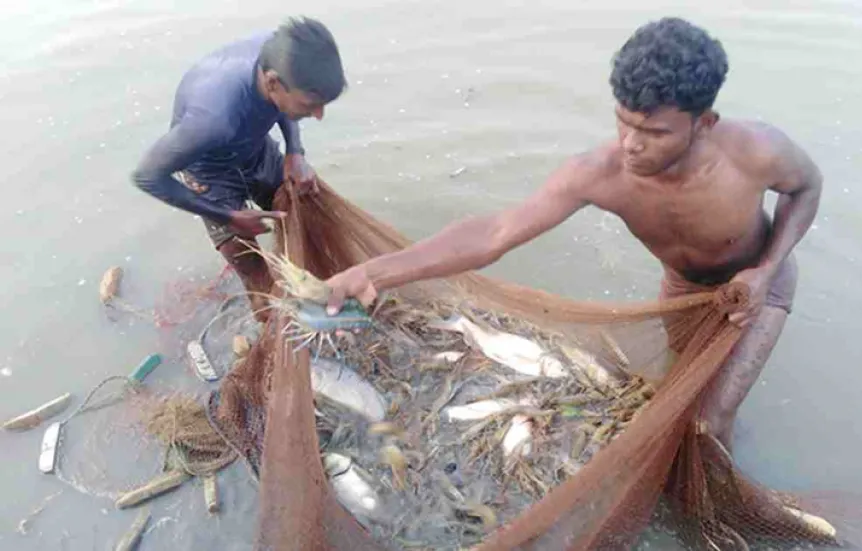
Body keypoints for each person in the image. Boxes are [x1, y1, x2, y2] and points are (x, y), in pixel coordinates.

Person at [321, 17, 822, 451]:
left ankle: (715, 499)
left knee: (707, 421)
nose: (632, 146)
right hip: (684, 290)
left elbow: (806, 188)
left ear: (704, 123)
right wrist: (373, 271)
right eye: (624, 124)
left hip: (761, 285)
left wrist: (765, 270)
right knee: (676, 391)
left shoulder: (757, 152)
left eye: (655, 134)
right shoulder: (599, 173)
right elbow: (495, 233)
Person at [132, 17, 347, 321]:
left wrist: (295, 153)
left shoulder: (285, 54)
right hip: (210, 177)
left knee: (305, 209)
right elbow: (147, 176)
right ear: (272, 82)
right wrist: (228, 216)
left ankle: (321, 303)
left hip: (254, 148)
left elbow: (285, 105)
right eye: (310, 104)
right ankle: (274, 334)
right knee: (256, 275)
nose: (319, 115)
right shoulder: (211, 120)